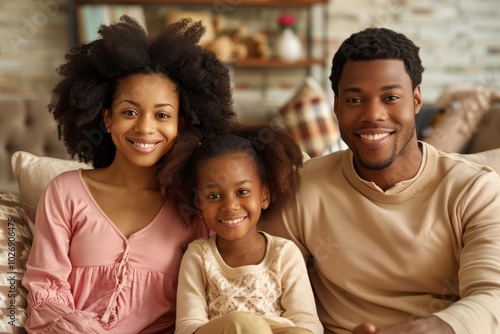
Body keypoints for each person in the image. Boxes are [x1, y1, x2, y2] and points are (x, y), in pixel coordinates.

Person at [264, 27, 500, 334]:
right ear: (336, 107)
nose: (372, 115)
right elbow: (261, 279)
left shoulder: (473, 189)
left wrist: (433, 328)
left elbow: (493, 294)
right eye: (354, 100)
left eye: (390, 97)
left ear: (416, 100)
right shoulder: (302, 187)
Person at [22, 16, 235, 333]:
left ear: (182, 125)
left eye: (162, 114)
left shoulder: (197, 206)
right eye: (129, 112)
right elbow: (44, 296)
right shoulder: (65, 193)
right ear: (107, 119)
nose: (145, 128)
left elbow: (210, 299)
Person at [174, 125, 323, 334]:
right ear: (199, 204)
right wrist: (237, 325)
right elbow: (187, 327)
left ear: (264, 196)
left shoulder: (284, 253)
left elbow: (307, 322)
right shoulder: (198, 256)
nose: (230, 206)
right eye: (214, 196)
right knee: (243, 324)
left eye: (242, 191)